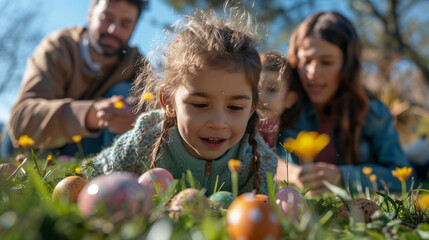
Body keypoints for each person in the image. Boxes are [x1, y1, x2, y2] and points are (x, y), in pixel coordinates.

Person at [81, 7, 278, 195]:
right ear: (168, 102)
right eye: (200, 105)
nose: (218, 123)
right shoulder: (145, 139)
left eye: (235, 107)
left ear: (252, 109)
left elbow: (256, 210)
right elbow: (91, 173)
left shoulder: (257, 160)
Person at [274, 11, 416, 195]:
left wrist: (342, 176)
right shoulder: (282, 105)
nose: (313, 73)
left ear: (347, 65)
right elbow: (256, 154)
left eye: (326, 62)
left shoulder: (373, 112)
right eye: (305, 61)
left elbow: (404, 177)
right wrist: (293, 174)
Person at [0, 0, 149, 159]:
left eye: (125, 24)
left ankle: (118, 174)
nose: (113, 29)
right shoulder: (57, 48)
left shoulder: (136, 63)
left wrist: (138, 113)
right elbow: (21, 121)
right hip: (34, 149)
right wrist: (92, 114)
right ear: (91, 13)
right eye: (107, 17)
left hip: (88, 151)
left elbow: (163, 107)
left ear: (134, 28)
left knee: (127, 94)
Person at [256, 51, 297, 148]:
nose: (260, 96)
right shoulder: (239, 130)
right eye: (255, 89)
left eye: (271, 89)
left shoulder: (290, 136)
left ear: (289, 100)